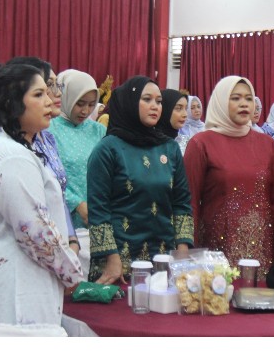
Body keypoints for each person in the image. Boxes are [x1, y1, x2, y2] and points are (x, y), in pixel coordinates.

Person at [0, 63, 83, 328]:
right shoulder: (13, 157)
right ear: (12, 104)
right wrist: (72, 274)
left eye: (47, 92)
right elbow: (35, 233)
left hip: (21, 281)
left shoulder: (18, 149)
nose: (49, 101)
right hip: (11, 288)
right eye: (38, 94)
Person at [86, 75, 193, 284]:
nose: (155, 106)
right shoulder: (108, 149)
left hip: (163, 259)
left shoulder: (169, 148)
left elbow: (181, 203)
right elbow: (98, 209)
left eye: (159, 101)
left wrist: (182, 253)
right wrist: (111, 258)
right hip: (118, 263)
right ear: (130, 102)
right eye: (147, 99)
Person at [184, 76, 274, 277]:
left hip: (264, 252)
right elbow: (190, 202)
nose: (244, 104)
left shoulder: (268, 145)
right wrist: (189, 249)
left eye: (249, 98)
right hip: (216, 254)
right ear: (221, 101)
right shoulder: (201, 144)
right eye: (235, 98)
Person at [5, 57, 80, 251]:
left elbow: (58, 196)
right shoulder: (12, 151)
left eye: (56, 85)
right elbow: (29, 228)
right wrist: (66, 260)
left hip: (58, 244)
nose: (56, 94)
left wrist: (72, 240)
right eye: (46, 88)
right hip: (29, 251)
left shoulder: (47, 138)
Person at [48, 69, 107, 230]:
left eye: (91, 104)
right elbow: (47, 176)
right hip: (62, 215)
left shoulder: (99, 130)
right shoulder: (49, 130)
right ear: (66, 97)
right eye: (80, 104)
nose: (85, 111)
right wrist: (76, 203)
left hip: (97, 214)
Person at [156, 88, 191, 155]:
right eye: (178, 108)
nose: (185, 114)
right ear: (165, 110)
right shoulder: (150, 142)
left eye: (186, 109)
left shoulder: (186, 142)